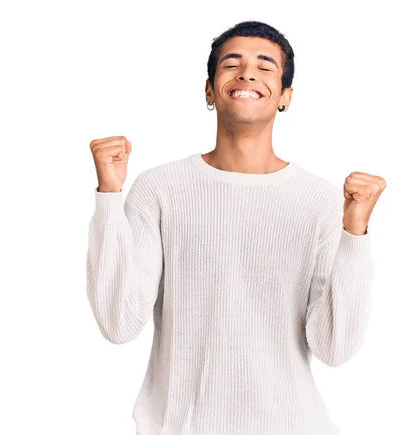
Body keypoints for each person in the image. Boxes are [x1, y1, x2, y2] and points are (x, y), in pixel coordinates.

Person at [86, 20, 386, 435]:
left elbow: (335, 348)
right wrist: (109, 196)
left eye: (266, 66)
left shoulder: (319, 201)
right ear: (209, 90)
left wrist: (355, 235)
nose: (247, 73)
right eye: (232, 64)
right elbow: (119, 322)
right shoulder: (160, 189)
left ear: (285, 96)